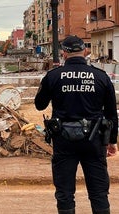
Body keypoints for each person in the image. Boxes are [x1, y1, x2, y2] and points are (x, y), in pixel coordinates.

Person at [34, 35, 118, 214]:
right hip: (95, 141)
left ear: (64, 53)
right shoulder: (101, 77)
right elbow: (111, 114)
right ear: (85, 51)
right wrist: (112, 142)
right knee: (98, 192)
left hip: (64, 141)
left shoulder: (53, 76)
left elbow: (39, 104)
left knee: (64, 192)